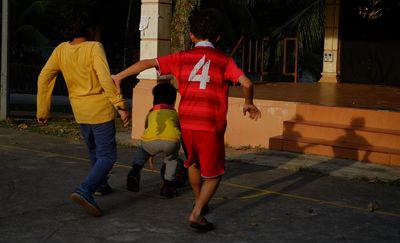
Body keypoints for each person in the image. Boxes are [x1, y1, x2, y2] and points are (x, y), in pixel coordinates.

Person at [112, 8, 261, 231]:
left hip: (187, 122)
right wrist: (249, 103)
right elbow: (247, 83)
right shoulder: (224, 60)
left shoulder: (181, 58)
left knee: (192, 162)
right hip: (210, 124)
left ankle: (199, 199)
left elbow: (148, 63)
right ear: (218, 37)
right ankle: (197, 212)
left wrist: (120, 76)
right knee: (215, 174)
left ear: (191, 35)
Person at [36, 7, 130, 217]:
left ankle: (101, 185)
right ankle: (85, 189)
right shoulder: (95, 47)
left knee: (94, 150)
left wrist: (43, 110)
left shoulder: (61, 49)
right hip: (99, 110)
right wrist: (120, 105)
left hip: (80, 111)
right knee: (108, 155)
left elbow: (43, 77)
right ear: (90, 29)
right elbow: (105, 79)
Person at [126, 82, 182, 198]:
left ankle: (135, 172)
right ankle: (168, 186)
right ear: (173, 101)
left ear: (154, 101)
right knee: (171, 159)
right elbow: (179, 129)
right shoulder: (175, 114)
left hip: (150, 142)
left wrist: (150, 153)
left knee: (142, 150)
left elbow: (148, 130)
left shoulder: (151, 113)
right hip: (171, 141)